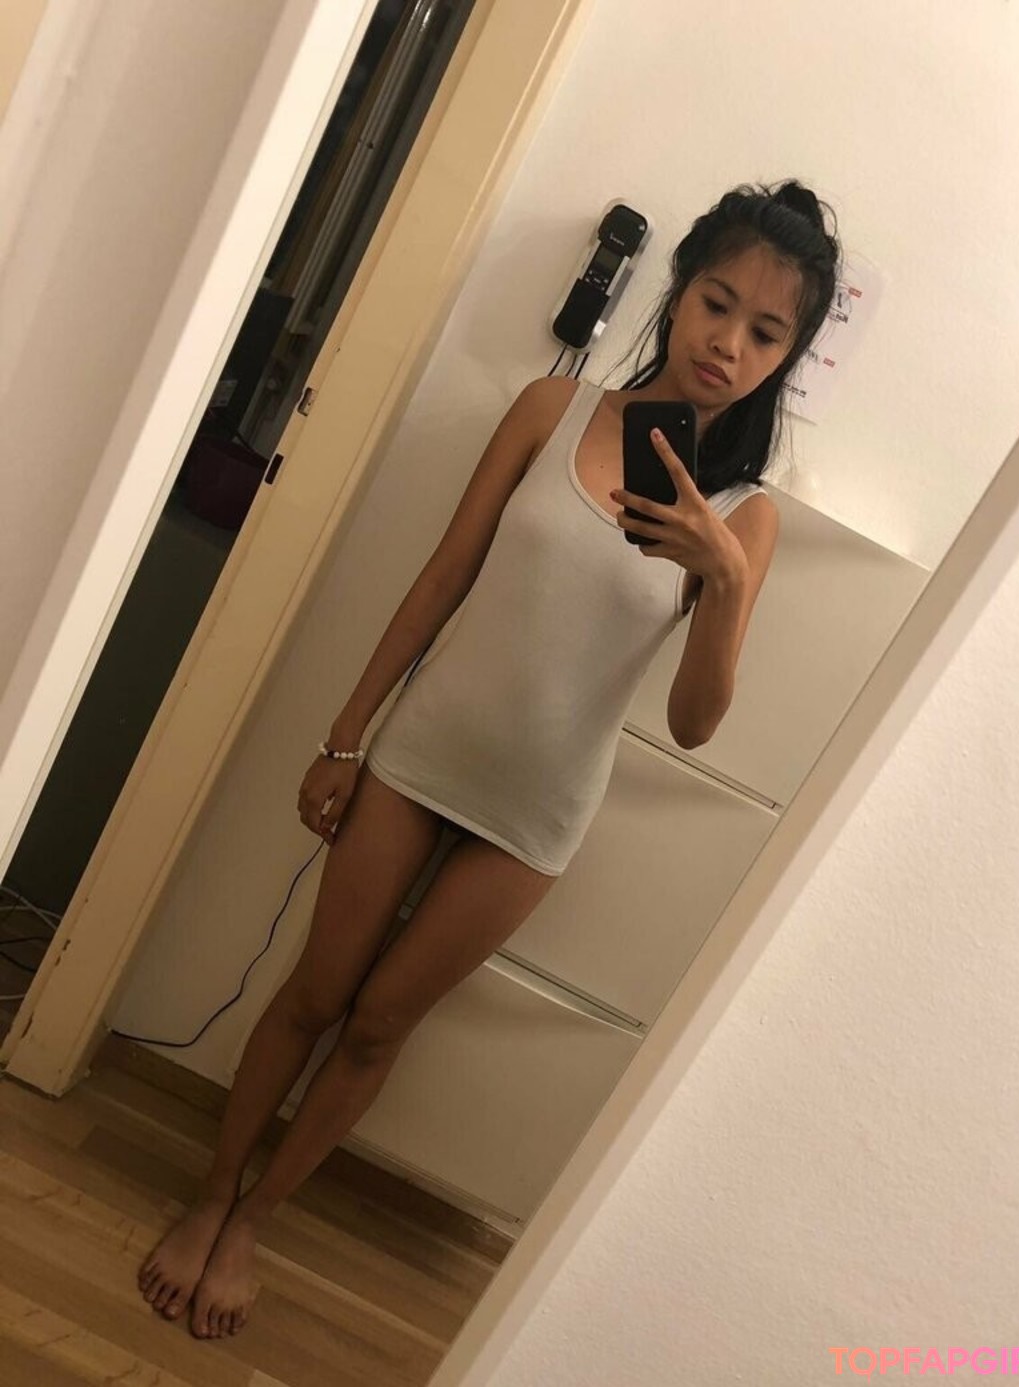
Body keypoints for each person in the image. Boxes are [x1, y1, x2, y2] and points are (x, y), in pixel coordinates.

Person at [137, 179, 841, 1338]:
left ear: (789, 358)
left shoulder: (746, 519)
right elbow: (441, 578)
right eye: (718, 303)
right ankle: (209, 1196)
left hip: (537, 815)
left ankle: (255, 1220)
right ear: (679, 292)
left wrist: (720, 579)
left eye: (767, 333)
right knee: (316, 992)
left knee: (378, 1025)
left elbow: (695, 723)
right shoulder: (551, 409)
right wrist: (345, 735)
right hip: (420, 756)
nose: (729, 344)